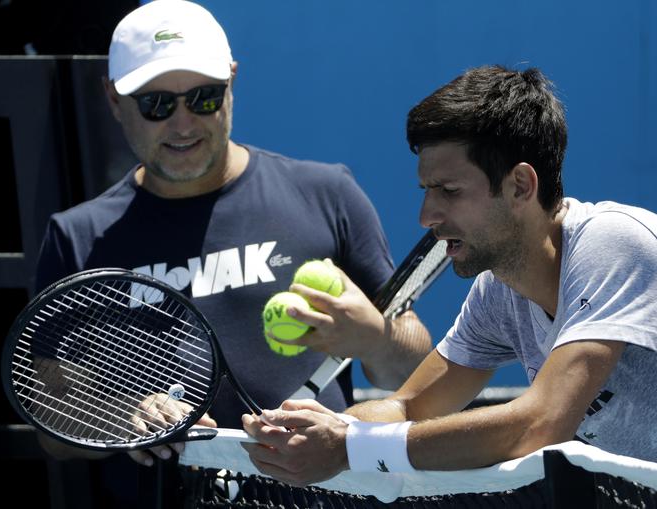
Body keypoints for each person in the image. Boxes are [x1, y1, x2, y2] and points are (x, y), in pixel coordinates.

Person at [33, 0, 431, 506]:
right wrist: (124, 416)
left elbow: (415, 376)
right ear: (114, 100)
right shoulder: (77, 238)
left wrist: (375, 338)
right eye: (156, 104)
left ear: (232, 82)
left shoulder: (327, 193)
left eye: (203, 97)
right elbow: (50, 416)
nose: (182, 124)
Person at [242, 64, 657, 486]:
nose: (427, 217)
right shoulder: (497, 289)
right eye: (426, 191)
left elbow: (541, 423)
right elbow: (406, 408)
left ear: (520, 186)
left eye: (449, 191)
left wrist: (348, 449)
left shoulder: (614, 242)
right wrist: (324, 430)